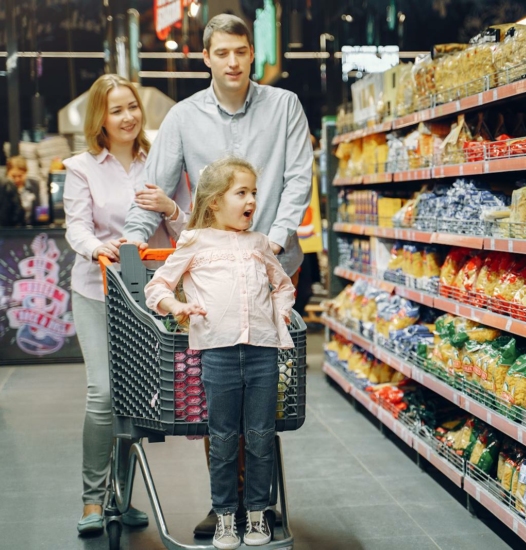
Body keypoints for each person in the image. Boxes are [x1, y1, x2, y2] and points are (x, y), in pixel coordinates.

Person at [123, 13, 313, 537]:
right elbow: (154, 189)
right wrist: (129, 244)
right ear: (205, 57)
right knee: (218, 394)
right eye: (222, 52)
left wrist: (270, 241)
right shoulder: (184, 118)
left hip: (272, 262)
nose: (233, 61)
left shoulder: (285, 106)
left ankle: (258, 502)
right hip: (208, 276)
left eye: (242, 51)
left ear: (253, 54)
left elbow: (299, 177)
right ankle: (225, 504)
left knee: (266, 394)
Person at [144, 156, 295, 550]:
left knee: (261, 437)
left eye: (254, 193)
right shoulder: (195, 242)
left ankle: (258, 512)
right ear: (214, 202)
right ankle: (226, 517)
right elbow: (157, 286)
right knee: (225, 438)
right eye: (241, 192)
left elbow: (282, 286)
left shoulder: (260, 244)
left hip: (263, 352)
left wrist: (278, 316)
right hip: (217, 353)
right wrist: (177, 307)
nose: (251, 201)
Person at [63, 73, 188, 536]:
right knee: (104, 394)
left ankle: (122, 497)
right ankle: (93, 500)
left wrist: (170, 207)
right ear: (100, 116)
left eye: (132, 106)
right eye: (116, 109)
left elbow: (188, 230)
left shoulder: (161, 163)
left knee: (134, 399)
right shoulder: (81, 167)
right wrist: (96, 245)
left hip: (146, 298)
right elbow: (75, 226)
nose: (128, 116)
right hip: (97, 291)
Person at [5, 155, 42, 225]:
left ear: (26, 172)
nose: (17, 179)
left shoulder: (34, 185)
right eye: (13, 176)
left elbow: (38, 208)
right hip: (10, 228)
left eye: (20, 176)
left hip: (31, 227)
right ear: (7, 174)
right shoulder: (4, 188)